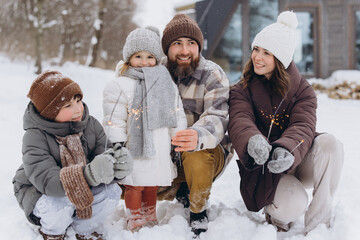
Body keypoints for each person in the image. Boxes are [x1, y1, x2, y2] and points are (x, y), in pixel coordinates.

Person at [228, 11, 344, 233]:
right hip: (264, 169)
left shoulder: (303, 91)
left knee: (331, 145)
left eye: (266, 53)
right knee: (292, 205)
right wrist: (253, 140)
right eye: (256, 49)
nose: (257, 57)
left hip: (296, 158)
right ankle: (278, 216)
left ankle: (319, 224)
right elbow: (240, 120)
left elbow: (304, 125)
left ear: (280, 59)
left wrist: (287, 148)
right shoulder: (241, 90)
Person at [12, 70, 133, 240]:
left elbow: (104, 158)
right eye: (67, 105)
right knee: (59, 203)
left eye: (78, 100)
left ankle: (83, 228)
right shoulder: (35, 136)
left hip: (80, 189)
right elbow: (48, 181)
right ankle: (53, 231)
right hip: (40, 193)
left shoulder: (90, 124)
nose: (78, 109)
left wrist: (116, 167)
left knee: (111, 190)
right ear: (50, 112)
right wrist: (89, 174)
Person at [102, 26, 187, 232]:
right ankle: (135, 216)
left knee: (151, 184)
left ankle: (149, 213)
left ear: (157, 59)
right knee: (134, 184)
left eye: (150, 56)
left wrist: (177, 137)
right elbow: (114, 118)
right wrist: (118, 142)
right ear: (128, 58)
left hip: (158, 146)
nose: (144, 61)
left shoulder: (166, 83)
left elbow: (176, 113)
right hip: (134, 145)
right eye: (138, 56)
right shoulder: (120, 85)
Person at [158, 13, 233, 236]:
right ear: (167, 48)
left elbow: (218, 116)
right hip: (168, 155)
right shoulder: (157, 73)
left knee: (193, 148)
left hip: (207, 154)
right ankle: (175, 189)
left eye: (191, 43)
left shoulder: (212, 74)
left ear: (199, 47)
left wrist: (197, 135)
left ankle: (198, 210)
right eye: (177, 43)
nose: (184, 50)